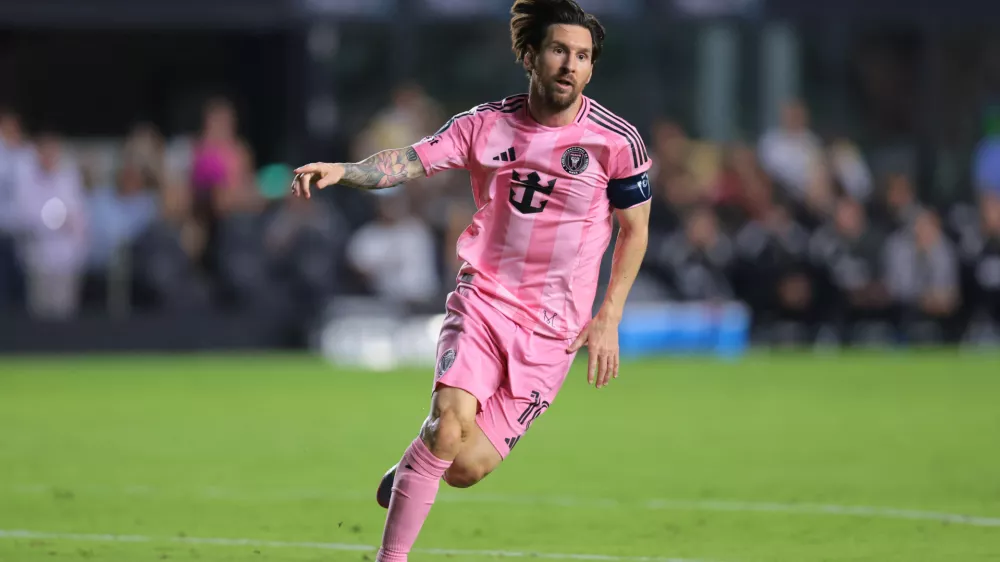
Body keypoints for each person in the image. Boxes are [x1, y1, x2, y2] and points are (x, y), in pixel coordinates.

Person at [292, 2, 652, 560]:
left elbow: (635, 232)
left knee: (464, 467)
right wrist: (346, 172)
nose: (570, 65)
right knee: (447, 426)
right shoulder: (484, 125)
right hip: (484, 301)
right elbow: (411, 159)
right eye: (559, 50)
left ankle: (412, 468)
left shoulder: (617, 142)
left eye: (582, 57)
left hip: (553, 331)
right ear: (530, 56)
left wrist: (609, 316)